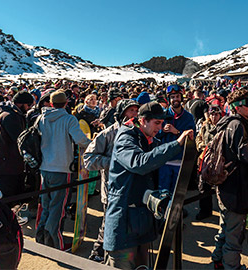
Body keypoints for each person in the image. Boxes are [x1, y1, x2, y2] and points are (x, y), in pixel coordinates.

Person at [103, 102, 193, 269]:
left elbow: (156, 155)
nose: (160, 128)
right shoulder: (126, 138)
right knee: (121, 265)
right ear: (143, 120)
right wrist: (176, 144)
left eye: (161, 123)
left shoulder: (147, 138)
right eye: (156, 123)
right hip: (124, 221)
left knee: (141, 265)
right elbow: (139, 163)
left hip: (140, 221)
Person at [83, 99, 140, 262]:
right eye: (131, 111)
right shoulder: (108, 134)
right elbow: (88, 159)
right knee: (109, 224)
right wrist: (112, 162)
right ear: (121, 114)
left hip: (132, 190)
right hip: (112, 190)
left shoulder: (139, 132)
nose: (134, 114)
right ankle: (98, 253)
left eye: (136, 111)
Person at [36, 91, 91, 250]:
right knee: (58, 207)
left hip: (44, 167)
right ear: (66, 103)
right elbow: (80, 140)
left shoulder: (42, 117)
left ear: (51, 103)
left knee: (45, 205)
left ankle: (42, 238)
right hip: (62, 168)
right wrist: (92, 144)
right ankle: (54, 242)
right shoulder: (68, 119)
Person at [212, 89, 248, 270]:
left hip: (225, 184)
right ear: (238, 107)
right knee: (234, 233)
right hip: (235, 186)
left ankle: (218, 260)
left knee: (225, 228)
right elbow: (247, 155)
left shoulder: (225, 123)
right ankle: (232, 267)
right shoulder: (237, 125)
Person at [0, 91, 34, 202]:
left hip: (8, 164)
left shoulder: (11, 114)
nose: (29, 108)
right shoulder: (10, 117)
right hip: (6, 166)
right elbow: (19, 139)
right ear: (21, 104)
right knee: (7, 199)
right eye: (28, 105)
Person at [157, 84, 196, 193]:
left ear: (181, 98)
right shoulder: (162, 115)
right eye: (172, 97)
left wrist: (177, 132)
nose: (175, 99)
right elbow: (153, 135)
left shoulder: (188, 117)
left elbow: (192, 139)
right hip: (164, 161)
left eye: (177, 97)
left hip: (180, 163)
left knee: (177, 196)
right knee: (163, 194)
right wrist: (162, 130)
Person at [195, 105, 222, 221]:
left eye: (216, 114)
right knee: (203, 187)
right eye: (212, 114)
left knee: (221, 187)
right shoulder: (205, 126)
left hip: (219, 160)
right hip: (204, 159)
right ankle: (205, 210)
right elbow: (198, 139)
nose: (214, 116)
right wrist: (203, 147)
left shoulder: (223, 127)